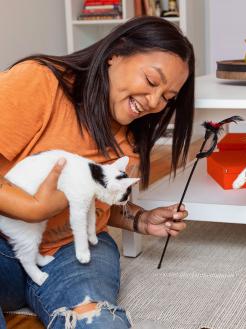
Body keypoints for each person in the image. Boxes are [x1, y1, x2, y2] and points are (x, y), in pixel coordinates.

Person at [0, 16, 194, 329]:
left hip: (67, 251)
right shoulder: (38, 81)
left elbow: (97, 202)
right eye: (152, 81)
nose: (155, 103)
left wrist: (138, 218)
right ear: (115, 53)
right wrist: (31, 209)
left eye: (168, 98)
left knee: (96, 320)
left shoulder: (129, 138)